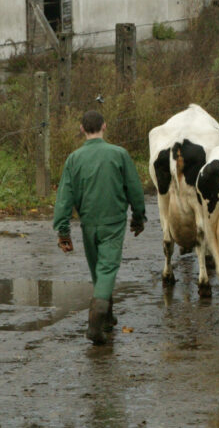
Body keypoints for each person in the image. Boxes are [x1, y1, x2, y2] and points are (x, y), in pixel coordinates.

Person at [53, 110, 146, 345]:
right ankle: (95, 324)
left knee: (98, 269)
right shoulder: (119, 154)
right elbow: (134, 187)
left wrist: (63, 230)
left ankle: (107, 318)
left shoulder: (74, 159)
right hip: (113, 223)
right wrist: (138, 216)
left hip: (88, 223)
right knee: (106, 269)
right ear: (104, 126)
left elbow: (64, 197)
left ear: (82, 129)